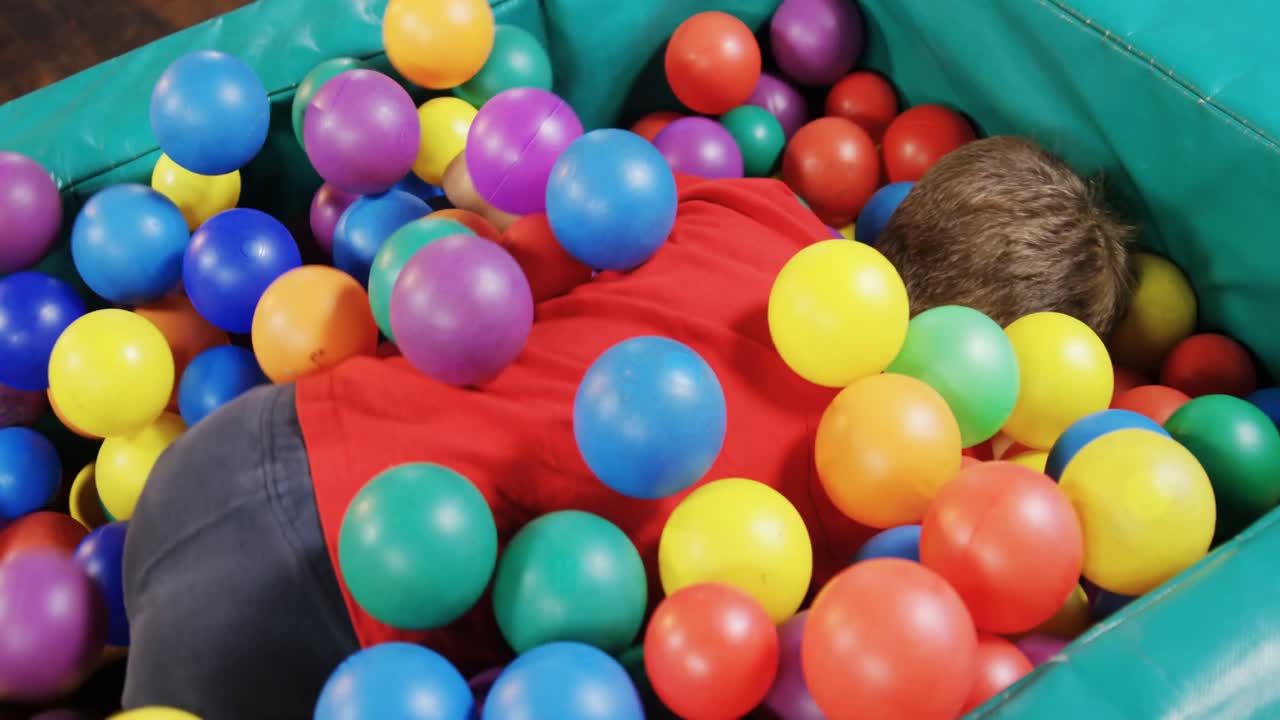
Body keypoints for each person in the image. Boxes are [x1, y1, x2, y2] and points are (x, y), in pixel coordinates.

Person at [121, 136, 1133, 718]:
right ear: (1017, 372)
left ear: (910, 209)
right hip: (331, 621)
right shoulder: (899, 502)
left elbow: (501, 208)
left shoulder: (753, 207)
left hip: (231, 450)